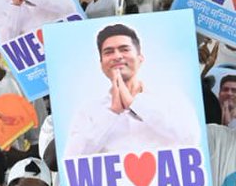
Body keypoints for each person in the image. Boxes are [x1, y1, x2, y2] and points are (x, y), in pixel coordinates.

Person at [64, 23, 203, 157]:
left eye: (124, 49)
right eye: (109, 52)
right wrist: (112, 113)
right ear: (101, 64)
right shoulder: (89, 110)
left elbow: (191, 138)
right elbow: (72, 157)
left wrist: (135, 104)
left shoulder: (171, 98)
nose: (117, 56)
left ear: (140, 58)